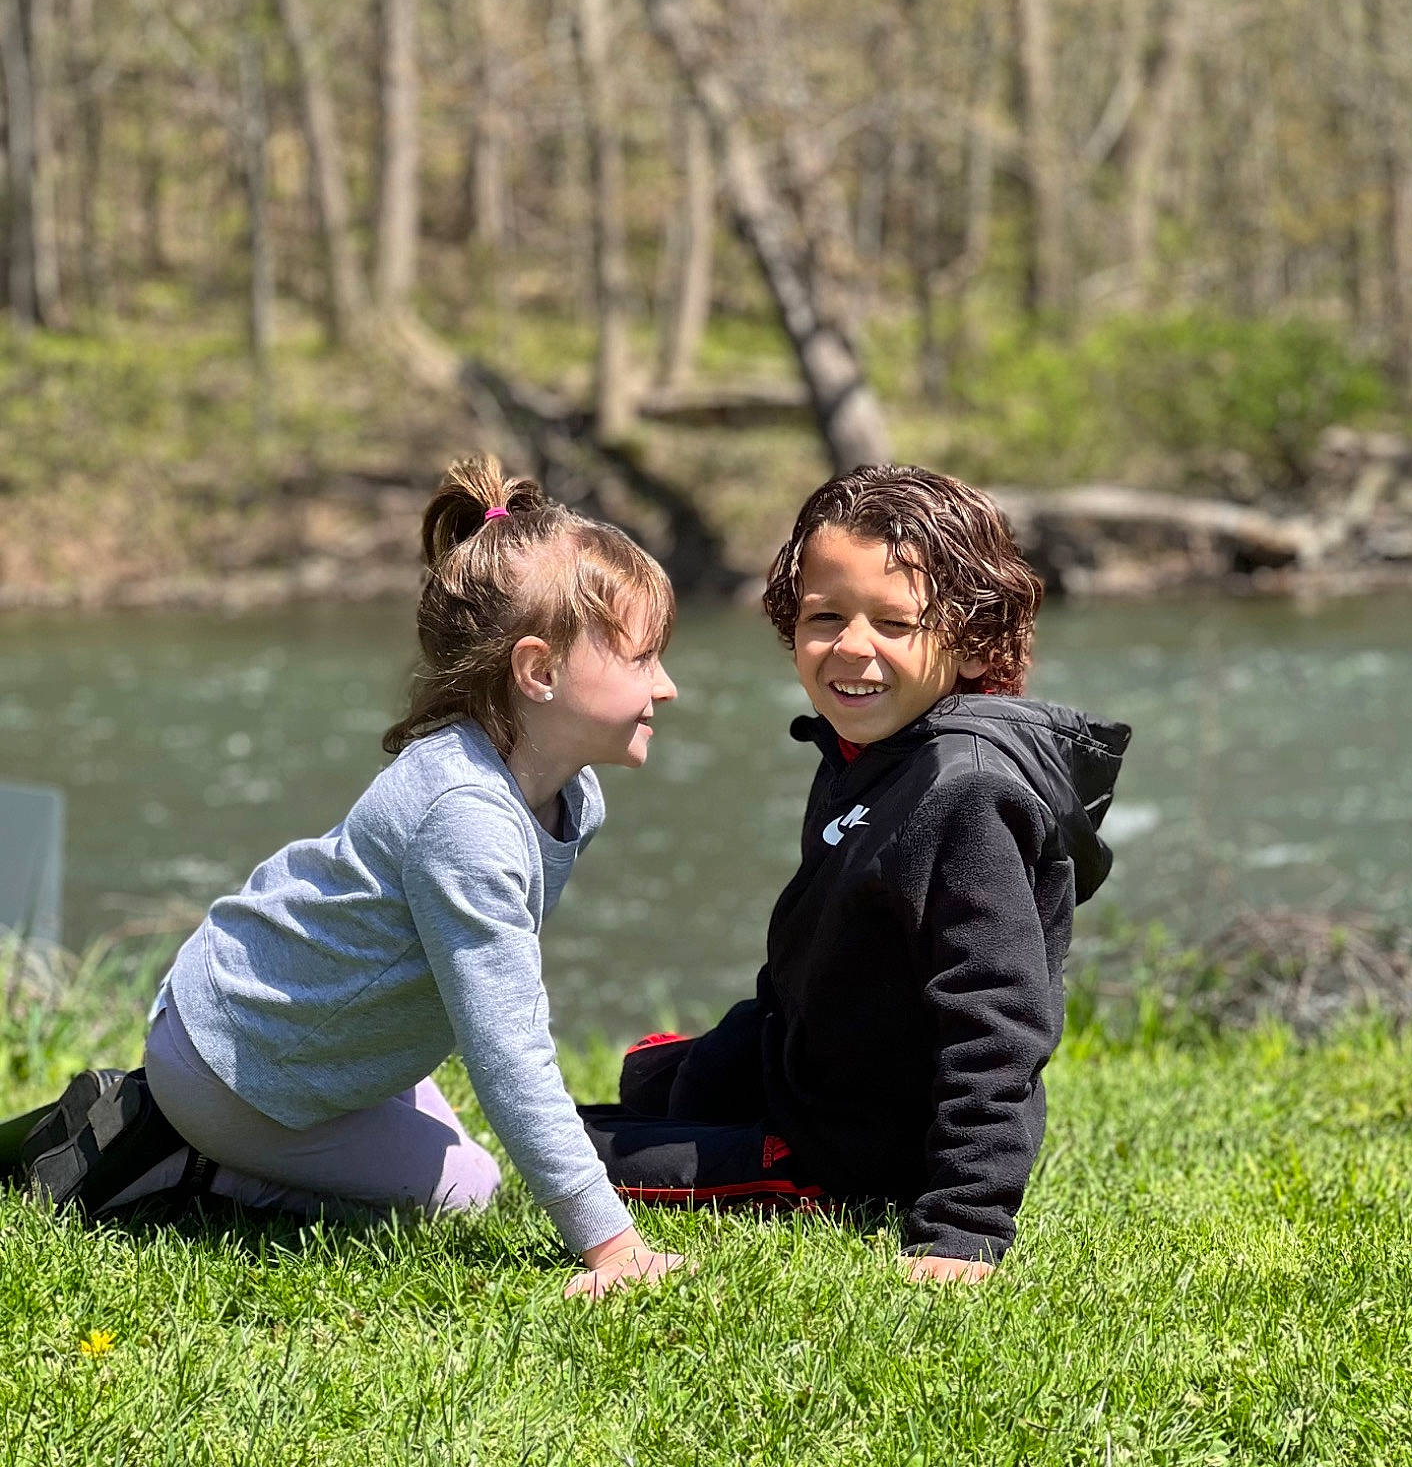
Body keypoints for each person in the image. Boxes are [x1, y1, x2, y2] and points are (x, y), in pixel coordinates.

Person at [20, 457, 684, 1300]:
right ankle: (169, 1159)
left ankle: (193, 1130)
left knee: (462, 1168)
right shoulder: (468, 819)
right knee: (465, 1192)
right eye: (642, 658)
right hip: (239, 1073)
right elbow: (508, 1050)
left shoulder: (566, 794)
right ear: (539, 673)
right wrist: (612, 1245)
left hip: (277, 1035)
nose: (665, 684)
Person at [580, 465, 1131, 1283]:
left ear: (974, 640)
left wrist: (962, 1228)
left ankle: (766, 1158)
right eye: (825, 616)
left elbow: (998, 1025)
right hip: (799, 1058)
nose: (851, 647)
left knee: (569, 1158)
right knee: (654, 1076)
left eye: (895, 622)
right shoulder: (868, 749)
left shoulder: (968, 790)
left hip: (846, 1148)